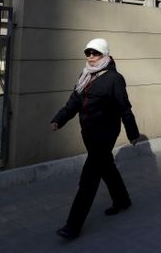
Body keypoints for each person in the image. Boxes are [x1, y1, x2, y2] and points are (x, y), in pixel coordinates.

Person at [51, 37, 140, 239]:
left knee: (89, 178)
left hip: (105, 133)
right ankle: (122, 200)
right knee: (106, 167)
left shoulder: (114, 79)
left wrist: (132, 133)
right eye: (88, 53)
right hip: (89, 133)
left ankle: (72, 226)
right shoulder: (85, 75)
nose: (91, 57)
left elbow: (124, 107)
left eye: (95, 53)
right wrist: (59, 120)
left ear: (105, 55)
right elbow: (74, 102)